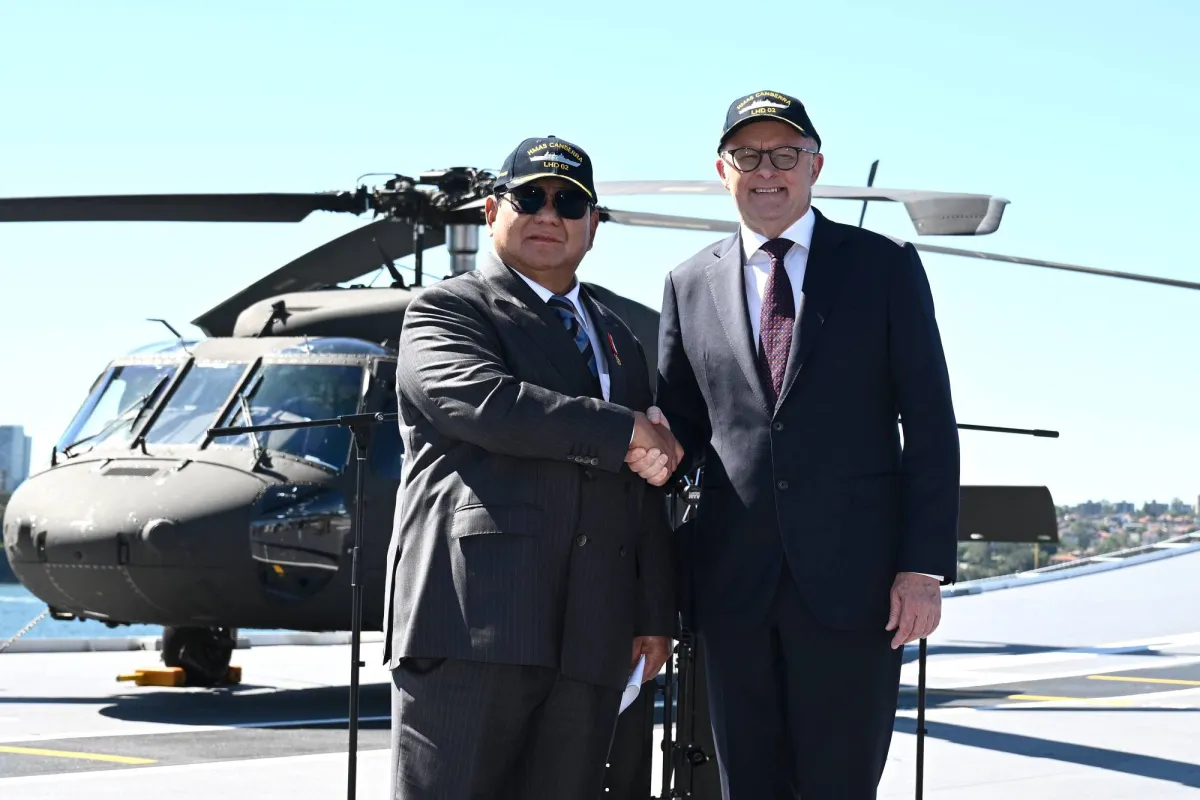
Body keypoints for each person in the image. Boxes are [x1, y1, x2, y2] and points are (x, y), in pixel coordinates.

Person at [643, 90, 961, 798]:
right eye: (748, 156)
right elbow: (683, 427)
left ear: (815, 166)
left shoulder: (884, 266)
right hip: (733, 588)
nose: (767, 171)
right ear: (722, 170)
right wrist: (646, 442)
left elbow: (930, 423)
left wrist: (922, 568)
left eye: (785, 155)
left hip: (857, 588)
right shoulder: (687, 283)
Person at [382, 134, 681, 800]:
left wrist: (653, 612)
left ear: (593, 225)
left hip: (593, 636)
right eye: (531, 198)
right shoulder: (448, 309)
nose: (550, 214)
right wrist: (623, 428)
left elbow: (642, 493)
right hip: (473, 623)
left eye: (570, 203)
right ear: (492, 211)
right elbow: (482, 403)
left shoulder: (618, 338)